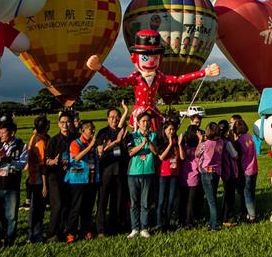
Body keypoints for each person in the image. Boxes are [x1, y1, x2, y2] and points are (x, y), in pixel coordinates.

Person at [86, 30, 220, 132]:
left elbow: (178, 80)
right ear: (134, 58)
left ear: (160, 59)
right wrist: (100, 68)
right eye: (145, 58)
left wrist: (204, 72)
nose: (151, 61)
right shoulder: (136, 77)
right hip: (140, 114)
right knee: (140, 135)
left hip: (153, 113)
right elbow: (118, 82)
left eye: (155, 58)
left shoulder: (159, 76)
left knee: (158, 134)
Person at [0, 118, 29, 246]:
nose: (0, 135)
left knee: (12, 216)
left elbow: (22, 164)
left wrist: (10, 161)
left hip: (12, 186)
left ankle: (10, 240)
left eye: (3, 132)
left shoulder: (21, 145)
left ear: (12, 133)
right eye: (0, 132)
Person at [96, 103, 130, 237]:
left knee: (117, 200)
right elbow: (100, 151)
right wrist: (115, 142)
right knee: (103, 201)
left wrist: (126, 110)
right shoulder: (102, 133)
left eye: (117, 117)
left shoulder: (123, 132)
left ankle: (114, 226)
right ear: (107, 119)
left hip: (120, 171)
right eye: (112, 117)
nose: (114, 119)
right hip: (106, 171)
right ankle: (101, 229)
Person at [44, 110, 76, 242]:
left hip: (72, 175)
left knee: (68, 204)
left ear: (71, 123)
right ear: (58, 124)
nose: (65, 125)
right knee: (57, 205)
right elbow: (46, 160)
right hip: (55, 176)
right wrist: (53, 162)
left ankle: (66, 230)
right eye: (62, 122)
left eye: (68, 122)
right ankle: (52, 233)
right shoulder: (53, 140)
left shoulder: (76, 138)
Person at [65, 120, 99, 242]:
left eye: (93, 128)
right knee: (76, 207)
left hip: (90, 179)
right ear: (82, 130)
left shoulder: (92, 143)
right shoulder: (76, 143)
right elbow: (77, 157)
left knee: (87, 207)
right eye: (90, 128)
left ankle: (86, 230)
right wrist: (90, 147)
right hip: (77, 180)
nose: (92, 131)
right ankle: (71, 232)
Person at [127, 112, 158, 238]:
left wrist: (148, 141)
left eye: (148, 121)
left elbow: (155, 152)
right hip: (134, 172)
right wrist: (141, 144)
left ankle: (144, 228)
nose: (146, 123)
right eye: (143, 121)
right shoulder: (132, 136)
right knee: (134, 202)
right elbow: (130, 152)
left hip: (148, 172)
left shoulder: (154, 135)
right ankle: (134, 228)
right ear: (138, 123)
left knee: (145, 202)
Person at [195, 121, 224, 231]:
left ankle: (215, 224)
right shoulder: (221, 142)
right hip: (216, 172)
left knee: (210, 200)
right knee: (213, 197)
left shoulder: (205, 144)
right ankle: (213, 221)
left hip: (206, 172)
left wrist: (200, 140)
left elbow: (197, 154)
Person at [25, 116, 49, 243]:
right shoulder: (40, 142)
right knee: (38, 208)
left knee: (36, 208)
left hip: (33, 177)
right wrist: (45, 184)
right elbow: (42, 164)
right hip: (38, 179)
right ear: (46, 126)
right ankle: (35, 233)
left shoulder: (34, 138)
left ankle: (33, 233)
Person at [156, 120, 183, 231]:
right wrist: (170, 144)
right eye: (169, 129)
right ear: (164, 130)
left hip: (174, 173)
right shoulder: (161, 140)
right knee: (161, 199)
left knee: (171, 199)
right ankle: (159, 223)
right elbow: (161, 157)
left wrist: (178, 144)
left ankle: (167, 222)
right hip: (163, 173)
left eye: (173, 129)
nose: (171, 131)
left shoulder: (177, 140)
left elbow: (181, 157)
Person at [234, 118, 258, 222]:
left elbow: (237, 156)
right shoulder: (249, 137)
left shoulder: (239, 141)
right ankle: (249, 212)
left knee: (246, 193)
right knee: (251, 192)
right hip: (254, 168)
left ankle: (252, 216)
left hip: (245, 170)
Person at [179, 125, 203, 227]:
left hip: (183, 177)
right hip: (194, 178)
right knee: (190, 201)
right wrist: (201, 140)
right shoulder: (197, 149)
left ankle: (181, 219)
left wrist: (180, 144)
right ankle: (189, 221)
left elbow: (182, 157)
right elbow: (200, 151)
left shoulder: (185, 148)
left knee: (183, 200)